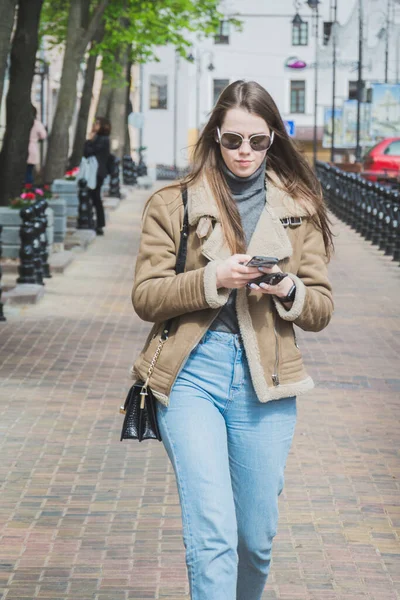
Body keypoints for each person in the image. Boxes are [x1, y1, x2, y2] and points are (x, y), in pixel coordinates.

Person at [131, 80, 334, 600]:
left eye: (258, 141)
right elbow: (146, 297)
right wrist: (212, 279)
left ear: (275, 140)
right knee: (213, 533)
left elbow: (321, 309)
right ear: (214, 138)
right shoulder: (173, 204)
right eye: (232, 140)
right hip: (191, 376)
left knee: (254, 538)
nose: (244, 152)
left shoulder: (300, 208)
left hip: (265, 380)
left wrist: (289, 287)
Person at [83, 116, 111, 235]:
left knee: (95, 198)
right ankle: (96, 222)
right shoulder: (102, 138)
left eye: (97, 124)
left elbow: (88, 152)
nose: (94, 125)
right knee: (94, 198)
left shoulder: (102, 139)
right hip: (98, 172)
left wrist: (89, 140)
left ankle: (98, 224)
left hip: (97, 172)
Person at [26, 105, 47, 184]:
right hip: (32, 148)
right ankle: (28, 189)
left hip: (21, 150)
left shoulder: (21, 123)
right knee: (29, 171)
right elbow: (43, 135)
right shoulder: (37, 124)